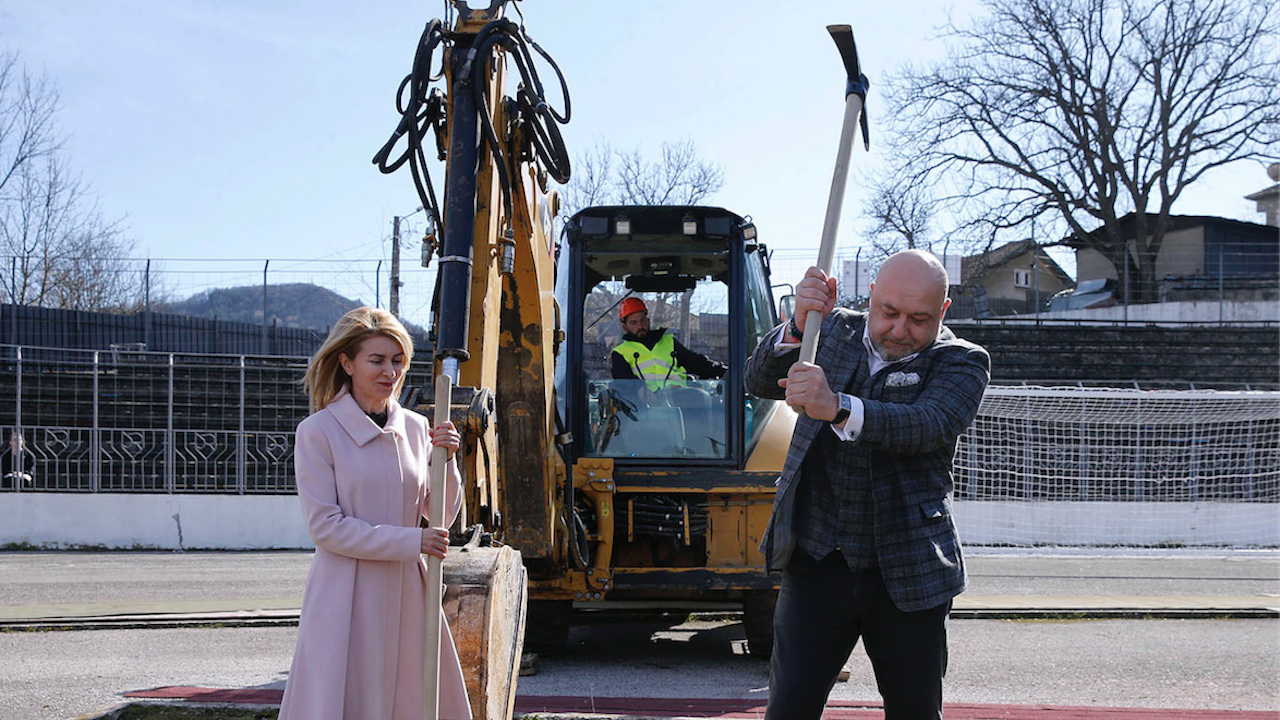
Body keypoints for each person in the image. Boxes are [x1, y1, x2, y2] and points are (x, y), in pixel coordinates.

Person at [744, 250, 990, 720]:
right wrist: (797, 326)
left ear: (943, 311)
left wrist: (835, 405)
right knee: (788, 711)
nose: (900, 330)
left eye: (919, 319)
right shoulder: (830, 329)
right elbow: (759, 379)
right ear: (871, 295)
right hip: (815, 565)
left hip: (909, 573)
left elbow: (926, 425)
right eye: (889, 312)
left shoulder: (962, 362)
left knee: (914, 712)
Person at [279, 306, 471, 720]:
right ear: (346, 362)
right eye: (378, 360)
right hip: (344, 590)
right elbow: (325, 527)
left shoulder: (418, 428)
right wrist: (410, 542)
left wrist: (448, 461)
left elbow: (441, 515)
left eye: (398, 360)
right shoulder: (317, 432)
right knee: (345, 698)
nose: (391, 371)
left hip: (407, 589)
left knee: (413, 697)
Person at [610, 297, 727, 388]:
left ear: (648, 320)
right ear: (625, 327)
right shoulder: (620, 353)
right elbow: (624, 384)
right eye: (633, 323)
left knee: (700, 397)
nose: (640, 326)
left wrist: (725, 372)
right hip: (643, 407)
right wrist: (641, 392)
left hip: (678, 396)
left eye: (642, 320)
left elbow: (696, 363)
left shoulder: (669, 342)